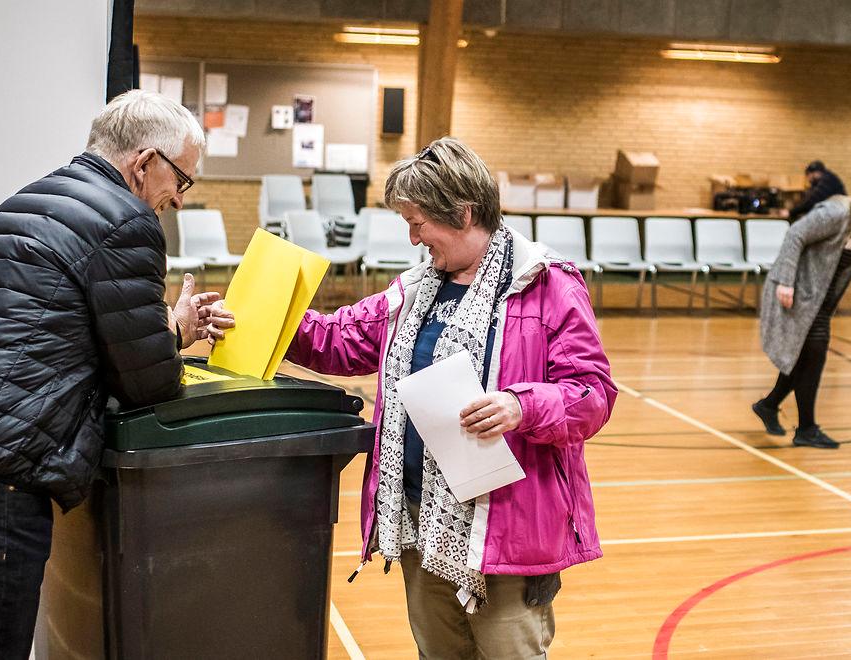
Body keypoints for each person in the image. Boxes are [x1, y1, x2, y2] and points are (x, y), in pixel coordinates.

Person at [209, 137, 616, 657]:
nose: (411, 236)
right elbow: (340, 339)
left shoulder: (547, 285)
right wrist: (256, 316)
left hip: (506, 531)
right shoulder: (415, 288)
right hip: (422, 519)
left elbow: (593, 394)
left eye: (418, 222)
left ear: (464, 212)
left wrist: (521, 406)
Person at [0, 90, 224, 659]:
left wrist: (160, 323)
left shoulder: (29, 200)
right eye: (181, 181)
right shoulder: (125, 221)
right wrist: (179, 332)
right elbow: (147, 382)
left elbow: (59, 325)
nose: (178, 201)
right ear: (144, 163)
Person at [752, 177, 851, 449]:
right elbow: (795, 234)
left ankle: (770, 405)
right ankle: (806, 428)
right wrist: (785, 281)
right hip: (793, 290)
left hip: (817, 302)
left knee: (805, 357)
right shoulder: (836, 214)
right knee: (814, 355)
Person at [782, 160, 846, 220]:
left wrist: (791, 212)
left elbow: (812, 200)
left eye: (808, 176)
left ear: (815, 173)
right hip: (837, 214)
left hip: (838, 216)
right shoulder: (827, 178)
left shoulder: (826, 181)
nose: (808, 180)